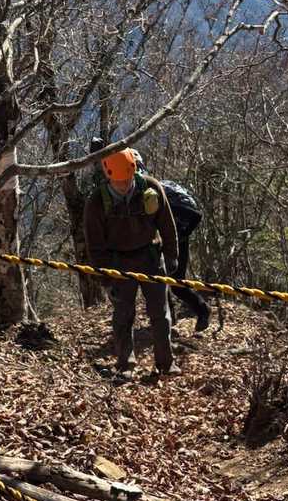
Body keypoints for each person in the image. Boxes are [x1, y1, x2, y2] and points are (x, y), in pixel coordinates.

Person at [84, 147, 180, 381]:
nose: (123, 185)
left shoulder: (150, 188)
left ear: (134, 171)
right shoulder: (97, 202)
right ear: (108, 176)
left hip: (151, 257)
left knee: (160, 313)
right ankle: (125, 365)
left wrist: (171, 255)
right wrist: (105, 279)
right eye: (118, 182)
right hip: (118, 263)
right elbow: (95, 245)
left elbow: (167, 225)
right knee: (123, 315)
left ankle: (166, 363)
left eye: (127, 180)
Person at [130, 150, 210, 330]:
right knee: (168, 281)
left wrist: (180, 235)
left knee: (170, 281)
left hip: (176, 235)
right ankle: (175, 317)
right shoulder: (156, 188)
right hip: (176, 234)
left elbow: (195, 215)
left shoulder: (153, 190)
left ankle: (199, 312)